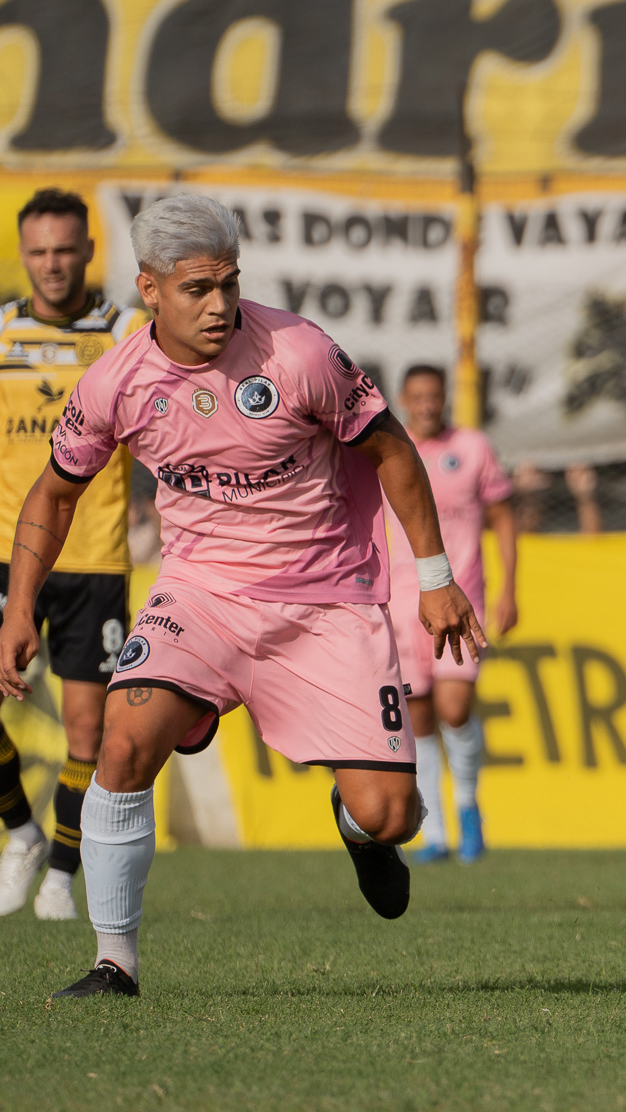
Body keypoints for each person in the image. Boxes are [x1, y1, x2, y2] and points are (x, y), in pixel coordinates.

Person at [0, 193, 484, 1000]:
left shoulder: (298, 353)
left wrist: (436, 580)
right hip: (202, 596)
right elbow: (53, 496)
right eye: (198, 289)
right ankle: (113, 962)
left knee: (394, 814)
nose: (220, 305)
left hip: (327, 601)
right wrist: (19, 607)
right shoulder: (116, 381)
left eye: (229, 284)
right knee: (118, 745)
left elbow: (394, 452)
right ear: (150, 289)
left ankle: (358, 830)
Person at [0, 189, 145, 922]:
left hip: (95, 561)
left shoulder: (129, 332)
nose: (52, 265)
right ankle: (21, 833)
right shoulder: (0, 334)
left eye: (65, 249)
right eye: (39, 252)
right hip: (7, 554)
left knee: (88, 730)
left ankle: (60, 873)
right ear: (23, 255)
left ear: (90, 250)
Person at [386, 365, 519, 864]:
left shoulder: (474, 448)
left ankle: (467, 808)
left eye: (433, 396)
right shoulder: (391, 449)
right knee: (417, 718)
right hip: (402, 602)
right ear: (404, 397)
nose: (425, 404)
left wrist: (509, 588)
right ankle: (434, 832)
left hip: (463, 598)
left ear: (443, 398)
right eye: (416, 396)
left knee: (456, 708)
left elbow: (504, 518)